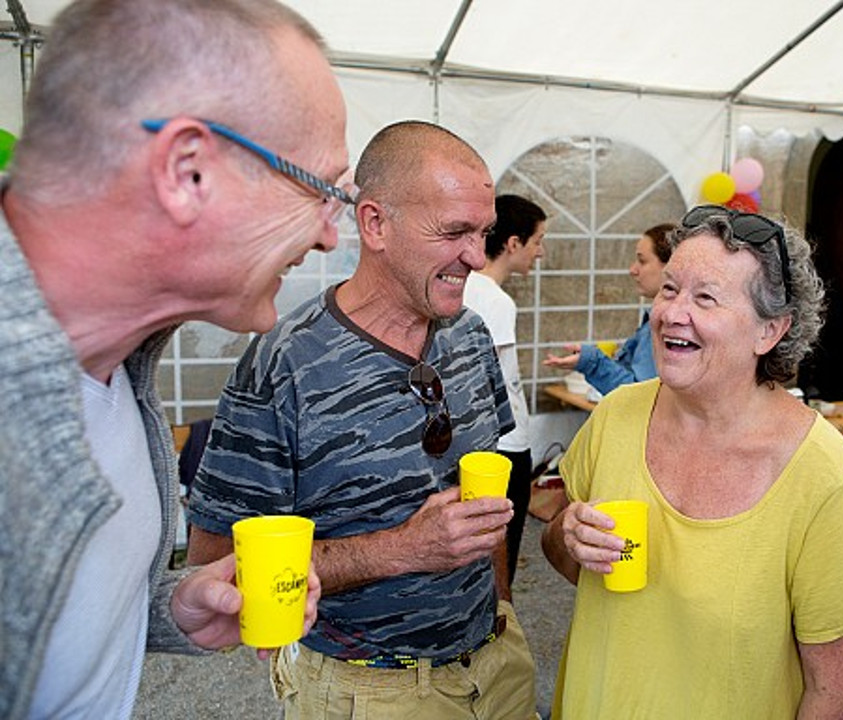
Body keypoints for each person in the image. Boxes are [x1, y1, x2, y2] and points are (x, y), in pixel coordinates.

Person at [0, 0, 349, 716]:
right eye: (322, 191)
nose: (330, 237)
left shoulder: (116, 367)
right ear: (188, 170)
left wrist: (165, 609)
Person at [187, 120, 538, 719]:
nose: (476, 258)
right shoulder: (285, 364)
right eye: (454, 231)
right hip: (369, 690)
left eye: (483, 233)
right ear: (375, 223)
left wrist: (501, 610)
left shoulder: (472, 337)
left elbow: (484, 506)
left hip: (496, 663)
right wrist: (402, 549)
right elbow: (213, 570)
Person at [542, 205, 843, 718]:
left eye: (704, 298)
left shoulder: (821, 473)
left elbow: (837, 693)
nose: (671, 313)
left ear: (769, 331)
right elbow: (566, 555)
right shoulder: (618, 415)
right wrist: (567, 533)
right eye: (669, 289)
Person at [463, 193, 546, 586]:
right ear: (513, 243)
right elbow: (487, 380)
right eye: (537, 241)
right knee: (502, 550)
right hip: (506, 444)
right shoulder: (495, 301)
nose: (540, 252)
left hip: (479, 446)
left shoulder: (463, 289)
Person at [543, 223, 674, 394]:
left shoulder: (664, 326)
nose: (633, 270)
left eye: (642, 261)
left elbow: (640, 396)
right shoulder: (654, 321)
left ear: (671, 266)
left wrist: (592, 362)